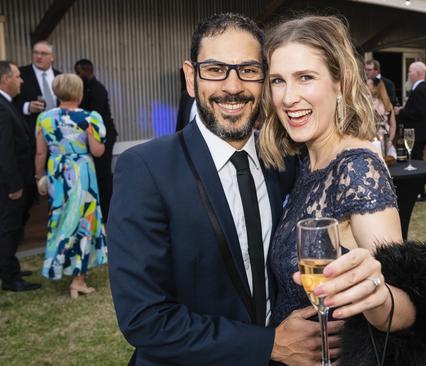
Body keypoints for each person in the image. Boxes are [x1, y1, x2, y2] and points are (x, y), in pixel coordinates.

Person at [107, 13, 340, 366]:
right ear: (191, 76)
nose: (233, 87)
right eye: (215, 70)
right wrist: (269, 345)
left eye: (248, 70)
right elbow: (144, 318)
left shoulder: (283, 160)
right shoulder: (146, 170)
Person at [260, 15, 426, 365]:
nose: (287, 97)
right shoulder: (303, 161)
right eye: (277, 81)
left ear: (339, 83)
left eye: (305, 78)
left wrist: (375, 294)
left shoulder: (356, 168)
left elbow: (402, 303)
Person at [34, 73, 107, 298]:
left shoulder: (44, 118)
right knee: (83, 220)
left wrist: (39, 177)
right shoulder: (90, 117)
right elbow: (98, 151)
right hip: (82, 174)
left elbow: (40, 152)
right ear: (79, 92)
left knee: (62, 219)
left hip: (57, 173)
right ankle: (78, 279)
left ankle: (59, 266)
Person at [12, 41, 61, 236]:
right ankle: (18, 233)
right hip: (30, 140)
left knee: (57, 187)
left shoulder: (59, 76)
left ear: (52, 57)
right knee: (30, 188)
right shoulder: (20, 75)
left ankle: (55, 227)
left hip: (58, 143)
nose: (38, 57)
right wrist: (26, 107)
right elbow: (8, 103)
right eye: (35, 53)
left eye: (43, 53)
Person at [0, 61, 41, 292]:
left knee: (12, 227)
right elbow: (4, 150)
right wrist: (14, 185)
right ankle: (9, 277)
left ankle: (9, 266)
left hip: (17, 180)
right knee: (9, 228)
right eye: (17, 76)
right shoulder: (1, 106)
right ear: (5, 79)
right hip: (10, 184)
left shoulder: (8, 103)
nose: (21, 80)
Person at [75, 59, 118, 222]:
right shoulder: (88, 88)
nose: (77, 75)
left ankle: (107, 212)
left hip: (104, 136)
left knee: (103, 174)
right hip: (99, 136)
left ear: (86, 71)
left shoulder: (96, 89)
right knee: (101, 174)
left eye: (78, 72)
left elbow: (95, 116)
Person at [395, 61, 426, 201]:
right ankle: (417, 190)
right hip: (420, 132)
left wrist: (401, 112)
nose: (408, 74)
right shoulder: (421, 88)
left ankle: (419, 192)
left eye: (410, 71)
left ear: (418, 73)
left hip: (418, 133)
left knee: (416, 162)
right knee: (415, 161)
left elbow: (418, 112)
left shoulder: (420, 90)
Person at [367, 77, 396, 151]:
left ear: (375, 88)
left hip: (381, 139)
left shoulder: (369, 103)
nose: (365, 87)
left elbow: (393, 125)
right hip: (373, 139)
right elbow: (393, 125)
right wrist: (390, 140)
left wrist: (389, 140)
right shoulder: (387, 104)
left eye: (367, 85)